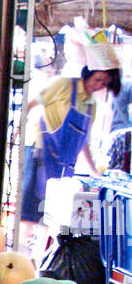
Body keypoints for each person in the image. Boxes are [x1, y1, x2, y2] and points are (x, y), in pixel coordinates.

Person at [19, 42, 121, 258]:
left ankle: (41, 257)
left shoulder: (91, 105)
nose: (99, 86)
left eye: (104, 83)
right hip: (41, 152)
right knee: (30, 210)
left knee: (52, 214)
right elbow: (33, 103)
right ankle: (21, 254)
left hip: (64, 164)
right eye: (98, 79)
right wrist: (19, 128)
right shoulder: (63, 85)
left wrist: (94, 171)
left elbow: (83, 142)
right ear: (88, 73)